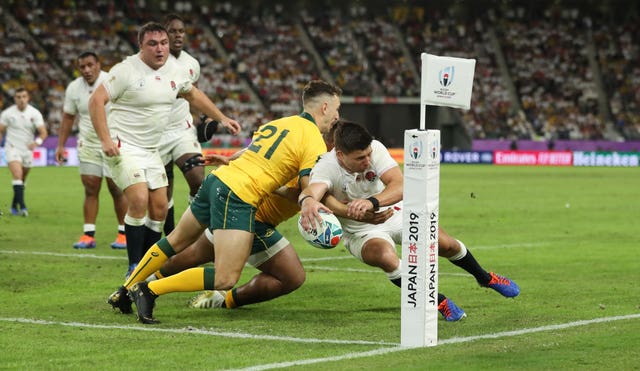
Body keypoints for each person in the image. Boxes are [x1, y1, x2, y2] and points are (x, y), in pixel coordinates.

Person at [107, 79, 340, 324]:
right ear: (324, 107)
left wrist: (229, 160)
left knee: (174, 241)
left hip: (216, 181)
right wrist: (312, 201)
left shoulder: (280, 123)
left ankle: (123, 291)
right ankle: (149, 290)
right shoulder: (313, 138)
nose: (337, 115)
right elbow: (307, 188)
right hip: (238, 194)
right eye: (336, 109)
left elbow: (251, 152)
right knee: (225, 278)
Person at [298, 120, 520, 320]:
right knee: (386, 257)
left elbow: (402, 185)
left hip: (395, 212)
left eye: (368, 154)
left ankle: (484, 277)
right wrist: (308, 202)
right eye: (360, 158)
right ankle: (438, 301)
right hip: (360, 233)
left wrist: (372, 203)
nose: (367, 160)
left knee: (446, 245)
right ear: (340, 155)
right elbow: (312, 193)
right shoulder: (326, 166)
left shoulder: (376, 149)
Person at [89, 22, 240, 278]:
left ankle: (148, 264)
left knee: (159, 208)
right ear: (141, 46)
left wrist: (222, 117)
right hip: (124, 147)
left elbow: (194, 95)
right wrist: (105, 140)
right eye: (153, 44)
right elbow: (96, 100)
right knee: (138, 199)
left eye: (163, 43)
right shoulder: (126, 70)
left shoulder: (175, 69)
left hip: (151, 149)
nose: (160, 49)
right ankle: (133, 266)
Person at [55, 51, 128, 249]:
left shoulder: (111, 80)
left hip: (113, 142)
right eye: (82, 67)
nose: (86, 70)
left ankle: (124, 233)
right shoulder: (73, 88)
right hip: (87, 143)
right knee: (90, 188)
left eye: (90, 65)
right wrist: (61, 145)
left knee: (116, 188)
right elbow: (68, 117)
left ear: (98, 64)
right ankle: (88, 234)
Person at [158, 14, 207, 236]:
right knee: (163, 191)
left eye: (181, 31)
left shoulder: (191, 63)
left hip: (182, 131)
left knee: (198, 179)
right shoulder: (154, 61)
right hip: (156, 134)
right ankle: (170, 236)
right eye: (173, 30)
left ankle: (191, 232)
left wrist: (202, 119)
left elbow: (193, 96)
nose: (178, 35)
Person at [0, 87, 48, 217]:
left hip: (27, 150)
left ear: (28, 98)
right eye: (18, 97)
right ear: (15, 98)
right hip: (12, 147)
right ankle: (23, 207)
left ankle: (13, 206)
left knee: (21, 179)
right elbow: (1, 130)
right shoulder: (7, 114)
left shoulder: (35, 113)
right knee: (17, 174)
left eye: (24, 96)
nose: (21, 100)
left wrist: (36, 143)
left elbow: (43, 133)